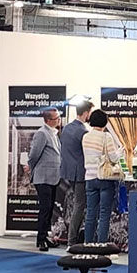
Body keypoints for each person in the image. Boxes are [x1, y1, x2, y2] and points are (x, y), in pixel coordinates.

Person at [83, 109, 124, 244]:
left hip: (89, 178)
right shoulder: (106, 137)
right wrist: (120, 152)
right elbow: (113, 158)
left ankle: (88, 243)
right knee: (104, 213)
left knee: (90, 213)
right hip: (104, 178)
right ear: (105, 122)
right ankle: (101, 244)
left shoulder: (85, 137)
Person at [28, 106, 62, 251]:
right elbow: (34, 155)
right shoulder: (42, 133)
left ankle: (46, 236)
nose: (59, 120)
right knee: (45, 209)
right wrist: (32, 169)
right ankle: (41, 238)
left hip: (53, 177)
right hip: (43, 177)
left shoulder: (54, 133)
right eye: (56, 118)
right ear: (48, 120)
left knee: (49, 208)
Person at [59, 100, 92, 246]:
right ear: (85, 113)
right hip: (80, 173)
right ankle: (72, 240)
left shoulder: (66, 128)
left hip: (68, 172)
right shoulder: (83, 132)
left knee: (77, 205)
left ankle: (74, 237)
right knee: (80, 206)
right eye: (90, 113)